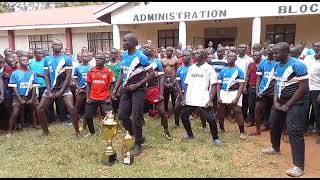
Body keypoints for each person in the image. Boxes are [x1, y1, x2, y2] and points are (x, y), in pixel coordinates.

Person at [262, 42, 309, 177]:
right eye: (273, 52)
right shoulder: (277, 65)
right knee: (273, 123)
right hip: (280, 101)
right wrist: (276, 101)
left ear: (286, 53)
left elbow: (303, 88)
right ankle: (275, 148)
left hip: (297, 102)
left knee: (294, 131)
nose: (273, 55)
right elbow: (277, 83)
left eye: (276, 53)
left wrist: (288, 104)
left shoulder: (298, 65)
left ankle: (299, 166)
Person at [112, 33, 155, 156]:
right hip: (126, 89)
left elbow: (151, 74)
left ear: (133, 43)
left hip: (138, 90)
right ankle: (135, 134)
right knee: (122, 115)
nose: (123, 43)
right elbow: (122, 73)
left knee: (136, 116)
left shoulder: (142, 57)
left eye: (126, 41)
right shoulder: (124, 55)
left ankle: (138, 143)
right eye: (123, 41)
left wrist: (137, 85)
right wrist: (116, 88)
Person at [36, 39, 81, 138]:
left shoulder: (67, 59)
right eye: (55, 44)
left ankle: (77, 132)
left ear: (61, 47)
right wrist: (49, 90)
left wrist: (61, 91)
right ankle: (45, 131)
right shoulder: (47, 59)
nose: (57, 46)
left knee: (72, 108)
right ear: (51, 46)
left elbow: (68, 77)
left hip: (64, 89)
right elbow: (47, 76)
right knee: (39, 109)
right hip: (51, 88)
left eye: (59, 44)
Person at [180, 49, 221, 146]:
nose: (195, 54)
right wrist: (184, 98)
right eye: (194, 53)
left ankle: (215, 138)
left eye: (197, 53)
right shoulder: (191, 68)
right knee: (184, 116)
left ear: (204, 56)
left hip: (203, 98)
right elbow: (187, 83)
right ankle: (190, 134)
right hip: (191, 98)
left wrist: (210, 100)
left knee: (210, 119)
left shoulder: (209, 68)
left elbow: (214, 84)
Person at [142, 44, 172, 140]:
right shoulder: (139, 61)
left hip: (153, 89)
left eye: (148, 48)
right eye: (144, 48)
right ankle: (139, 133)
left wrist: (161, 94)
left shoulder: (157, 63)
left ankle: (166, 131)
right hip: (141, 89)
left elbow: (161, 78)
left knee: (162, 112)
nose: (146, 49)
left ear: (153, 50)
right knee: (138, 112)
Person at [6, 53, 39, 136]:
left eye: (27, 60)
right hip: (18, 96)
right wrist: (20, 99)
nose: (25, 62)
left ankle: (39, 125)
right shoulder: (15, 73)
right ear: (19, 62)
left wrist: (32, 98)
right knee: (15, 112)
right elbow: (14, 87)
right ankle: (10, 131)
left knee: (38, 110)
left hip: (31, 95)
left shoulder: (32, 73)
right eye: (23, 60)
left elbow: (34, 86)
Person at [216, 52, 247, 139]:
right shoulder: (223, 70)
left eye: (232, 56)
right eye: (228, 56)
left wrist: (237, 98)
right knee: (220, 110)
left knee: (237, 111)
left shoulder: (239, 70)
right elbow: (219, 84)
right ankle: (221, 128)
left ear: (236, 58)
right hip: (223, 92)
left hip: (234, 92)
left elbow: (241, 85)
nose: (230, 58)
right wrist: (218, 96)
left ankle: (242, 132)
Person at [84, 52, 115, 136]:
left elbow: (112, 84)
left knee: (110, 116)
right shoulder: (90, 70)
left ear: (104, 60)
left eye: (101, 58)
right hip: (92, 97)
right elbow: (88, 84)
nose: (98, 60)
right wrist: (87, 97)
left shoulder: (109, 71)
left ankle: (110, 133)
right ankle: (91, 132)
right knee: (88, 115)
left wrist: (110, 97)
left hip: (104, 98)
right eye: (97, 58)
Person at [249, 44, 276, 136]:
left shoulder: (279, 63)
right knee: (257, 110)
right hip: (263, 91)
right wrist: (257, 91)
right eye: (268, 47)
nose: (269, 49)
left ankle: (277, 131)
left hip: (275, 93)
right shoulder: (262, 63)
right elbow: (259, 78)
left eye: (272, 47)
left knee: (275, 112)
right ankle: (257, 130)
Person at [302, 41, 320, 144]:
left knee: (317, 112)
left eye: (319, 46)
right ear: (312, 47)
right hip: (306, 88)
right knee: (304, 109)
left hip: (317, 89)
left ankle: (318, 133)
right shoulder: (308, 58)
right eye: (315, 46)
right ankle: (304, 130)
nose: (317, 48)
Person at [74, 51, 93, 130]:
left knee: (87, 108)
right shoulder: (77, 67)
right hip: (81, 89)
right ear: (81, 57)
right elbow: (74, 79)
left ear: (89, 57)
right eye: (84, 56)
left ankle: (85, 125)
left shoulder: (92, 67)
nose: (85, 58)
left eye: (87, 56)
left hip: (90, 90)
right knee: (77, 107)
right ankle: (75, 122)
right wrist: (78, 88)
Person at [174, 49, 192, 128]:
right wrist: (181, 95)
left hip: (193, 92)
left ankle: (204, 125)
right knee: (176, 108)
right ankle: (176, 123)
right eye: (183, 56)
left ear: (190, 57)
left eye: (186, 55)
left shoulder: (194, 68)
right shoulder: (179, 69)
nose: (184, 57)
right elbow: (177, 83)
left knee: (200, 109)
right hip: (182, 92)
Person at [236, 44, 253, 123]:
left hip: (245, 82)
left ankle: (244, 117)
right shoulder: (235, 58)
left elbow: (248, 73)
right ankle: (235, 116)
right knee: (236, 99)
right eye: (240, 47)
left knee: (244, 101)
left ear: (246, 49)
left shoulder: (249, 59)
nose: (241, 48)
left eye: (243, 47)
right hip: (235, 82)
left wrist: (245, 85)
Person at [244, 51, 262, 127]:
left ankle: (260, 122)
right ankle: (251, 121)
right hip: (251, 88)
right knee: (251, 105)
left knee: (259, 106)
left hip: (261, 89)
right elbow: (247, 76)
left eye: (256, 55)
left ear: (260, 56)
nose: (254, 57)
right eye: (253, 55)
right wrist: (245, 86)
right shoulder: (251, 65)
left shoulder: (263, 65)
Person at [161, 47, 179, 116]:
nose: (168, 52)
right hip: (164, 79)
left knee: (175, 97)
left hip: (173, 79)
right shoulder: (162, 60)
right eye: (167, 50)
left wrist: (174, 82)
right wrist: (164, 82)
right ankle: (165, 111)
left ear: (172, 52)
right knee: (165, 97)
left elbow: (178, 71)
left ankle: (175, 111)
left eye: (170, 51)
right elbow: (161, 72)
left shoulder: (176, 60)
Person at [105, 48, 121, 115]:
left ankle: (119, 112)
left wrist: (118, 88)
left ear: (117, 54)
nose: (112, 54)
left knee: (118, 95)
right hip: (109, 84)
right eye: (111, 53)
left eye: (114, 53)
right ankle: (111, 113)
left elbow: (121, 77)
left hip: (118, 83)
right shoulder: (106, 65)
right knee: (110, 97)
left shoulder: (120, 64)